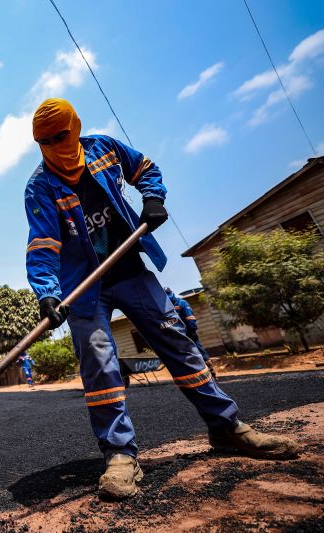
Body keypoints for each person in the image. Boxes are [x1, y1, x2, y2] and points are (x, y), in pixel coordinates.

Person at [24, 98, 300, 500]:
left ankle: (226, 428)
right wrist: (48, 293)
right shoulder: (40, 187)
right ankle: (119, 454)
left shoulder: (106, 149)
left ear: (77, 127)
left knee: (179, 344)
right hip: (83, 285)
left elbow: (146, 169)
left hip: (130, 269)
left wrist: (153, 198)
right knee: (99, 362)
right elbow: (43, 244)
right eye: (44, 142)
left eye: (61, 136)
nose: (54, 146)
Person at [165, 287, 216, 378]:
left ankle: (211, 371)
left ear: (172, 292)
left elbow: (190, 317)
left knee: (199, 350)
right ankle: (198, 374)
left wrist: (192, 329)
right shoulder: (167, 307)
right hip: (179, 335)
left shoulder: (182, 303)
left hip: (189, 333)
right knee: (188, 355)